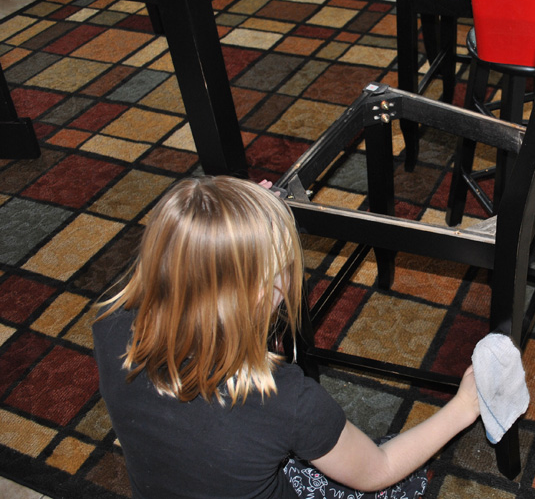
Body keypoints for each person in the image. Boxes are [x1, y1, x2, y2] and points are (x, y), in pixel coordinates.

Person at [93, 175, 481, 499]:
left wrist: (240, 212)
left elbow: (189, 248)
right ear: (266, 293)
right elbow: (378, 471)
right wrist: (463, 407)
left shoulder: (109, 324)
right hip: (294, 446)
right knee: (400, 475)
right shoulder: (284, 398)